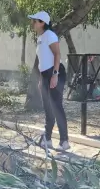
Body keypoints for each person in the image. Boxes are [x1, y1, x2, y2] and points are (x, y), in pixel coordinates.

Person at [28, 11, 70, 151]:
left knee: (56, 106)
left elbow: (57, 54)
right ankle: (47, 139)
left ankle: (64, 141)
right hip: (45, 74)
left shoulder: (50, 35)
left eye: (35, 21)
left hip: (56, 72)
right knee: (47, 107)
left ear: (42, 23)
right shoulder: (40, 37)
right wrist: (42, 79)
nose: (32, 23)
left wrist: (55, 75)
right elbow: (42, 60)